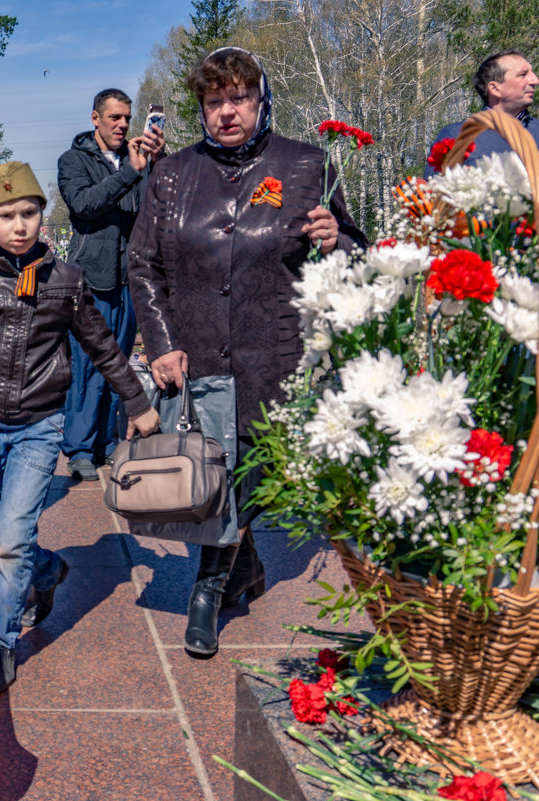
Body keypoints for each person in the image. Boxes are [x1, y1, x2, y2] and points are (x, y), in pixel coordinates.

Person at [128, 47, 366, 658]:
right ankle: (216, 584)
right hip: (197, 350)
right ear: (201, 109)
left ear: (262, 102)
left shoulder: (306, 163)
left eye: (239, 99)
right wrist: (161, 343)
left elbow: (356, 250)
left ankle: (226, 574)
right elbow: (144, 264)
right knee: (215, 469)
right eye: (214, 102)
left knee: (246, 469)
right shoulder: (174, 173)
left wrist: (336, 241)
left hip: (275, 352)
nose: (226, 112)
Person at [0, 161, 160, 695]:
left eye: (28, 212)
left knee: (12, 537)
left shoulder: (67, 284)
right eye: (6, 215)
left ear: (42, 216)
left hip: (39, 428)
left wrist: (136, 402)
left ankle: (0, 643)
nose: (19, 225)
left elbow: (102, 346)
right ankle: (46, 572)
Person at [57, 88, 165, 482]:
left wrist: (158, 160)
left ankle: (103, 444)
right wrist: (129, 172)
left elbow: (160, 201)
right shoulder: (73, 160)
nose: (122, 125)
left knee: (118, 363)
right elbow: (83, 204)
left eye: (127, 118)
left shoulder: (137, 159)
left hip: (128, 279)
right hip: (91, 279)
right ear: (95, 118)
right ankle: (79, 448)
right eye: (114, 117)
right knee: (87, 365)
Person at [426, 49, 539, 174]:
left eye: (532, 73)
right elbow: (433, 192)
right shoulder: (456, 135)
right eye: (522, 74)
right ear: (495, 88)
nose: (536, 80)